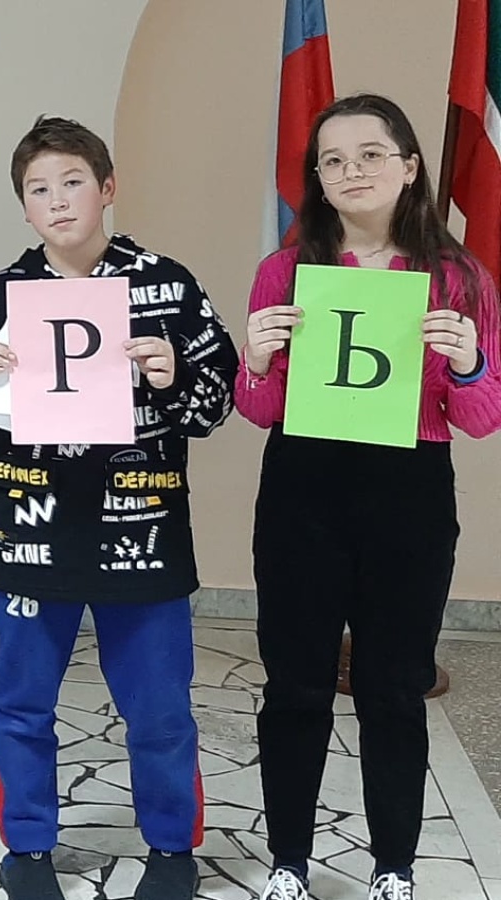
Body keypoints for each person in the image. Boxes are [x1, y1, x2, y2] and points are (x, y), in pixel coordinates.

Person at [0, 115, 238, 900]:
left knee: (160, 707)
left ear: (107, 189)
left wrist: (174, 374)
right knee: (21, 705)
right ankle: (28, 848)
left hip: (142, 534)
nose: (58, 201)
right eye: (39, 189)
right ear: (24, 207)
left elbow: (217, 404)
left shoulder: (167, 285)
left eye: (73, 182)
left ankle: (171, 848)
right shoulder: (1, 294)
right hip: (29, 535)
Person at [236, 93, 501, 900]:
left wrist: (467, 365)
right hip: (303, 488)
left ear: (410, 166)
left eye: (370, 154)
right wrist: (256, 360)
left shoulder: (458, 276)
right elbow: (259, 409)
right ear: (316, 178)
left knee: (393, 688)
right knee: (295, 685)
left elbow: (480, 418)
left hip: (408, 494)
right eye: (333, 160)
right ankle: (288, 860)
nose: (351, 171)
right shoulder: (285, 271)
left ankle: (394, 867)